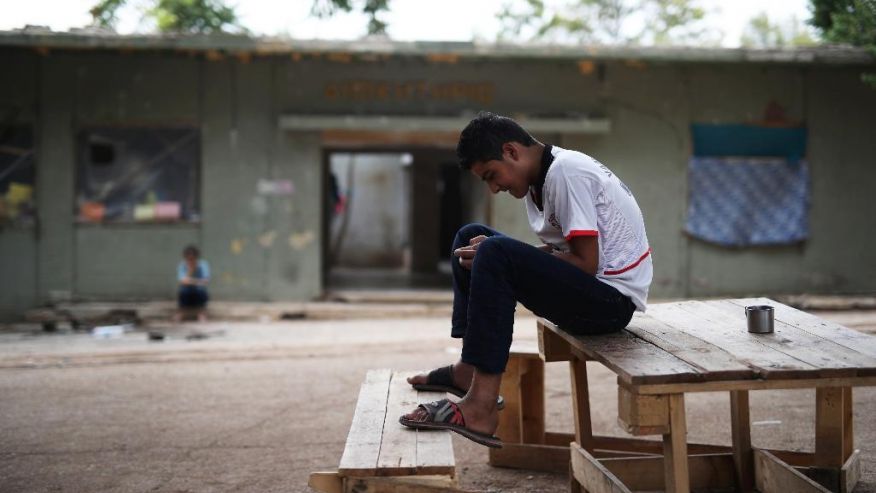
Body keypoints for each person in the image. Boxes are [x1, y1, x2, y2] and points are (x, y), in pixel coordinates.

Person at [399, 112, 653, 448]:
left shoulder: (566, 173)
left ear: (511, 151)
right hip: (591, 291)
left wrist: (506, 255)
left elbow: (586, 264)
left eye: (492, 175)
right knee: (471, 237)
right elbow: (560, 250)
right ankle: (467, 369)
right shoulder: (542, 178)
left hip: (610, 304)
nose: (494, 188)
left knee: (495, 252)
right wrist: (513, 255)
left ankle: (481, 407)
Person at [174, 245, 210, 323]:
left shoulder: (203, 265)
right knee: (183, 293)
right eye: (188, 259)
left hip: (199, 291)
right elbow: (182, 281)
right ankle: (180, 314)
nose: (190, 261)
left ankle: (201, 315)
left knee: (201, 292)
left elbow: (205, 281)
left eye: (193, 258)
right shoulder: (182, 265)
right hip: (186, 291)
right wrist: (190, 271)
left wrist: (190, 281)